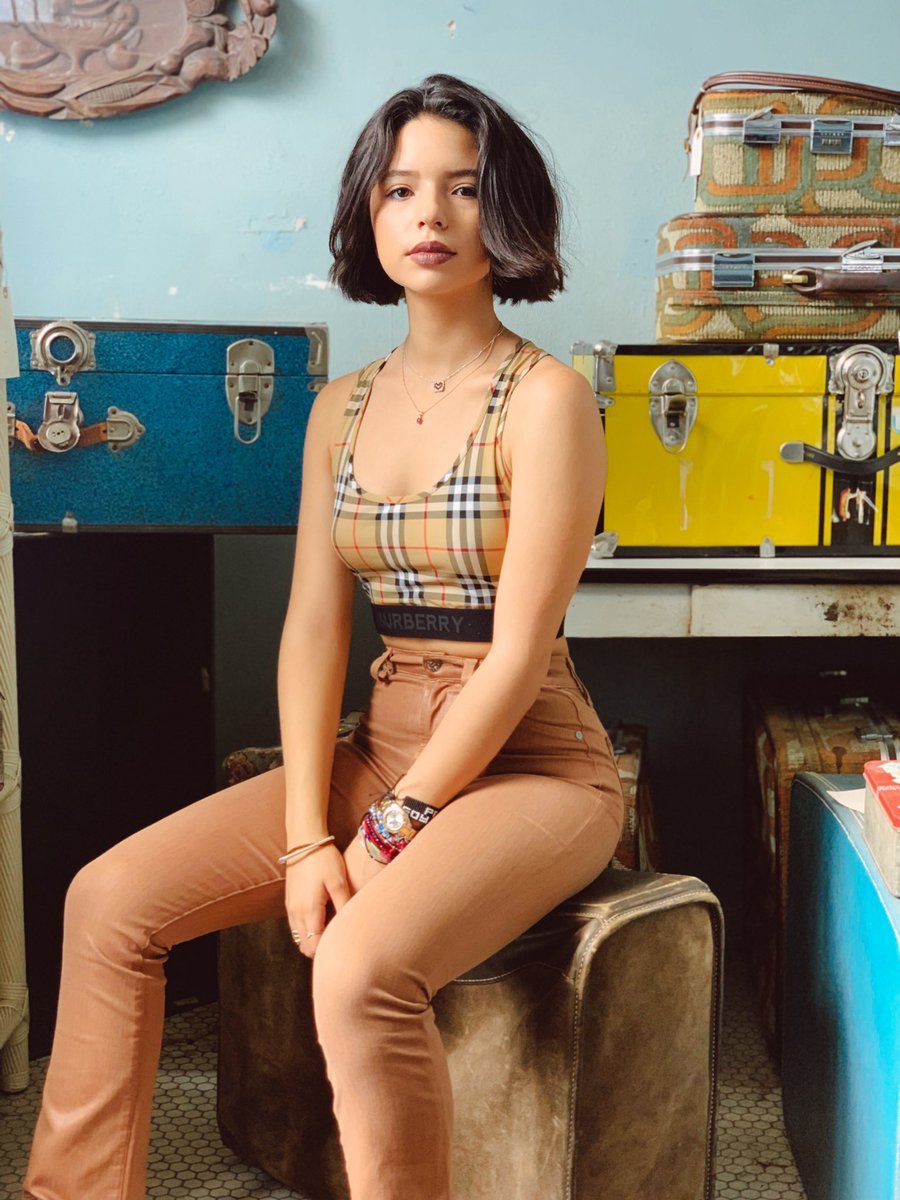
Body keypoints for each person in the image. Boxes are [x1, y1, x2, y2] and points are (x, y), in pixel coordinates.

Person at [22, 73, 624, 1200]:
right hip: (380, 739)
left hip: (533, 762)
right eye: (399, 189)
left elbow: (517, 653)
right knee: (107, 901)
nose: (429, 214)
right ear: (369, 214)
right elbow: (312, 624)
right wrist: (308, 835)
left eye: (462, 187)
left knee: (354, 971)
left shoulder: (547, 399)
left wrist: (389, 833)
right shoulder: (337, 406)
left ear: (506, 210)